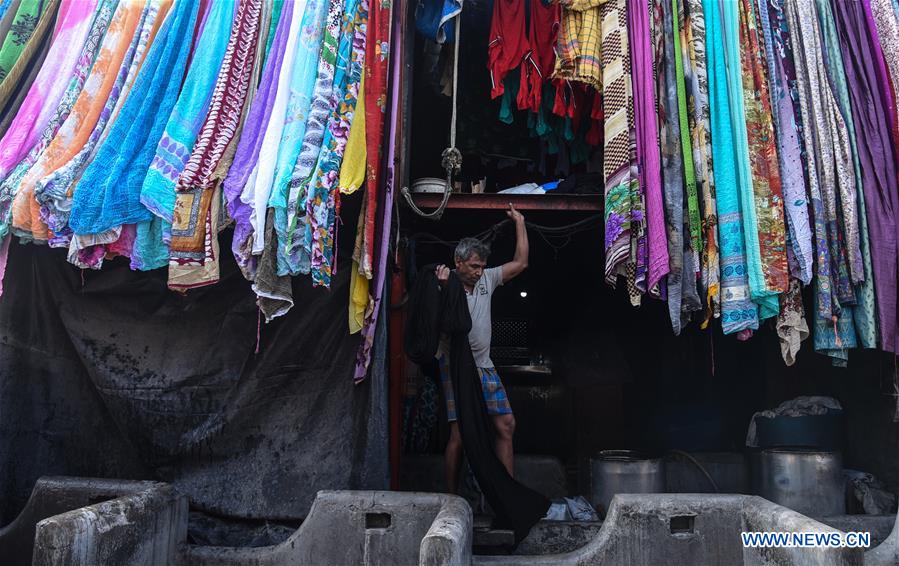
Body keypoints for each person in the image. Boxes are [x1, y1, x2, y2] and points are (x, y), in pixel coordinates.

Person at [436, 204, 529, 494]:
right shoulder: (444, 282)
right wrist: (443, 288)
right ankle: (451, 499)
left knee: (506, 425)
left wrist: (520, 222)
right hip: (456, 367)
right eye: (474, 266)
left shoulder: (488, 278)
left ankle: (507, 495)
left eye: (481, 267)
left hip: (484, 365)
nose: (479, 272)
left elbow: (521, 262)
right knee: (460, 435)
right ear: (459, 262)